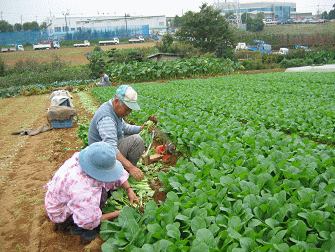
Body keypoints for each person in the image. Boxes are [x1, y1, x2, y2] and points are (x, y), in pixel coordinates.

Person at [44, 142, 139, 241]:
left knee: (103, 191)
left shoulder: (85, 158)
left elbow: (115, 171)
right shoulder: (83, 189)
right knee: (101, 196)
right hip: (61, 212)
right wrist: (118, 213)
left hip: (60, 198)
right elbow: (89, 222)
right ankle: (77, 229)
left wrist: (129, 190)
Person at [88, 85, 147, 181]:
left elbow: (125, 127)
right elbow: (111, 148)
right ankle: (123, 175)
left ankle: (123, 170)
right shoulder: (106, 117)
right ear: (116, 102)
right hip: (100, 157)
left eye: (130, 110)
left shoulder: (115, 111)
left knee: (133, 136)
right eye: (127, 109)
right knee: (137, 141)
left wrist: (140, 128)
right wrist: (131, 167)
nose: (128, 112)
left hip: (104, 150)